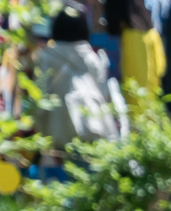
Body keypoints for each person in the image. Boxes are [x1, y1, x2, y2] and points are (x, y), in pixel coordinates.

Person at [32, 9, 129, 158]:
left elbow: (39, 97)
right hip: (94, 126)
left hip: (57, 131)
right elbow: (104, 95)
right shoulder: (93, 58)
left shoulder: (45, 58)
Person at [97, 0, 165, 99]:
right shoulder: (148, 30)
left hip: (138, 108)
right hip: (153, 103)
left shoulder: (130, 36)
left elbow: (136, 83)